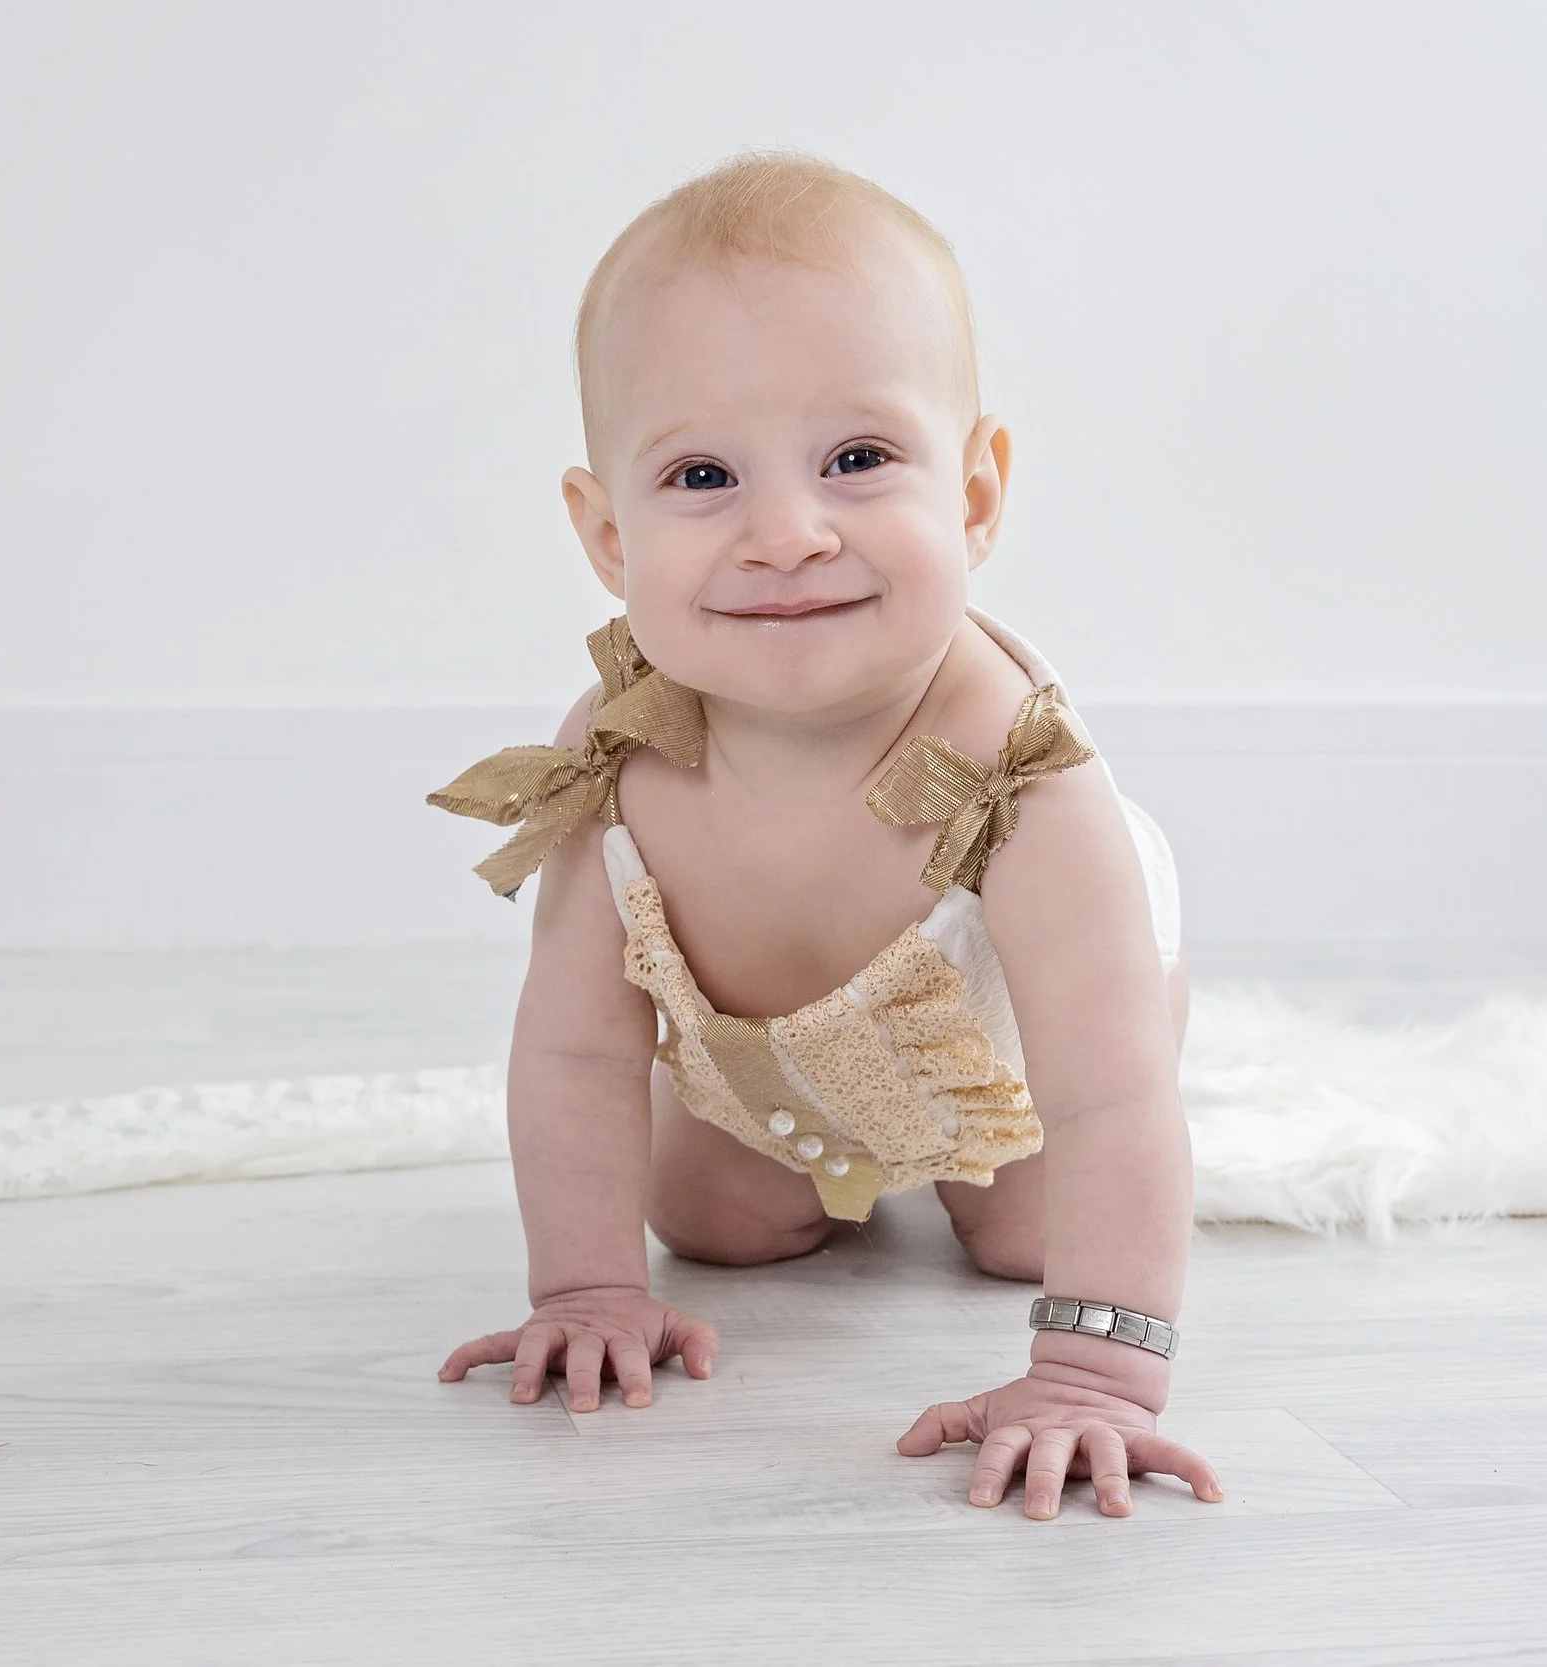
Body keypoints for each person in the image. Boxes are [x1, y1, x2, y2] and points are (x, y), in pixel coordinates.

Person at [431, 153, 1222, 1521]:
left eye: (857, 460)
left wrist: (1096, 1374)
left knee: (1029, 1232)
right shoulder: (618, 753)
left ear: (974, 495)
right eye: (702, 475)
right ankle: (799, 1158)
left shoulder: (1019, 768)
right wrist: (588, 1287)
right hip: (776, 1057)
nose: (788, 534)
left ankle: (996, 1198)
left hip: (1030, 1057)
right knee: (720, 1230)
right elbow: (572, 1042)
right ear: (607, 534)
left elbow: (1111, 1096)